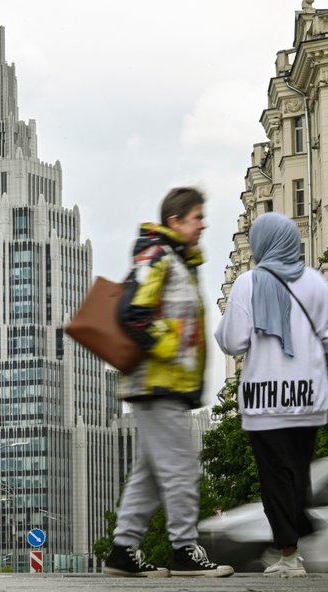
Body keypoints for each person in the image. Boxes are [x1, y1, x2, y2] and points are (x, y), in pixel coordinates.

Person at [103, 187, 233, 578]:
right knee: (181, 469)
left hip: (165, 385)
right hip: (158, 385)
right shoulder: (157, 255)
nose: (203, 223)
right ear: (175, 221)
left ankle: (123, 550)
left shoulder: (179, 261)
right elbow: (132, 312)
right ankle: (184, 550)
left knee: (149, 474)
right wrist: (171, 347)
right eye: (196, 216)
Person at [214, 212, 328, 578]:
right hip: (308, 394)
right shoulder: (316, 282)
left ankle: (289, 553)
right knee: (298, 473)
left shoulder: (248, 283)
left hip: (264, 396)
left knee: (275, 478)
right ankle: (297, 533)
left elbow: (233, 341)